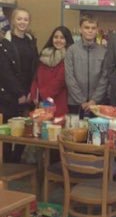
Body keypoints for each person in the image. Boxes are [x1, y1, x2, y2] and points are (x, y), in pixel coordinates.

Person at [2, 8, 38, 162]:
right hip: (11, 96)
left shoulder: (31, 41)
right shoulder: (5, 43)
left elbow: (35, 68)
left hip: (28, 95)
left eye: (25, 19)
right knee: (9, 132)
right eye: (19, 19)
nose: (22, 22)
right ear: (13, 21)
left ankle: (17, 160)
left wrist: (31, 92)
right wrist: (20, 93)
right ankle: (7, 164)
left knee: (26, 131)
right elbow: (5, 72)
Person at [64, 15, 108, 117]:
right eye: (86, 27)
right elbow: (69, 77)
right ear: (80, 29)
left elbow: (104, 78)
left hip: (97, 104)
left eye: (93, 28)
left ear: (97, 30)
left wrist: (94, 100)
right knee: (75, 132)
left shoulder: (104, 52)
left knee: (96, 132)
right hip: (75, 103)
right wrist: (82, 100)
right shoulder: (72, 50)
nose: (90, 31)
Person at [31, 26, 74, 117]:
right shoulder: (44, 55)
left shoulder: (69, 57)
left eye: (62, 38)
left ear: (67, 40)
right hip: (40, 103)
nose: (58, 40)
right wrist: (34, 94)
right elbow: (36, 78)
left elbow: (60, 81)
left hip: (59, 102)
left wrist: (43, 96)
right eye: (56, 37)